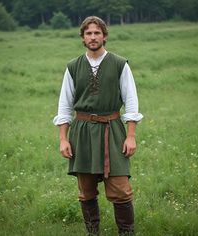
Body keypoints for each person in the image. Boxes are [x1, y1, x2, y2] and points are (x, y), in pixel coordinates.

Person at [53, 16, 143, 236]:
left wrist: (130, 136)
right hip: (82, 132)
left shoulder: (120, 64)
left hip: (112, 130)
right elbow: (64, 107)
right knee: (86, 191)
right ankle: (93, 233)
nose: (93, 37)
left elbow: (131, 102)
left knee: (121, 189)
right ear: (83, 38)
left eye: (97, 33)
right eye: (88, 33)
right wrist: (64, 139)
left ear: (104, 36)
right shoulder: (73, 67)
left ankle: (126, 233)